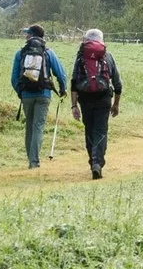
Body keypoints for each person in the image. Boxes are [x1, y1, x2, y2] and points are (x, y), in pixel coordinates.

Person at [68, 29, 124, 179]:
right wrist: (116, 104)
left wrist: (74, 106)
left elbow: (74, 83)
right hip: (103, 99)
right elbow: (118, 84)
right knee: (100, 131)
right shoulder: (107, 57)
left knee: (89, 130)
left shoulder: (80, 58)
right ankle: (97, 163)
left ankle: (93, 161)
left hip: (85, 100)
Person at [10, 24, 67, 169]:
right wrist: (63, 89)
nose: (25, 36)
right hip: (44, 94)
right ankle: (34, 162)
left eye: (27, 33)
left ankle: (31, 160)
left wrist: (20, 92)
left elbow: (14, 77)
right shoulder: (48, 53)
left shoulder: (20, 53)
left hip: (26, 96)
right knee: (38, 127)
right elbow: (60, 73)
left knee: (29, 126)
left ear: (31, 35)